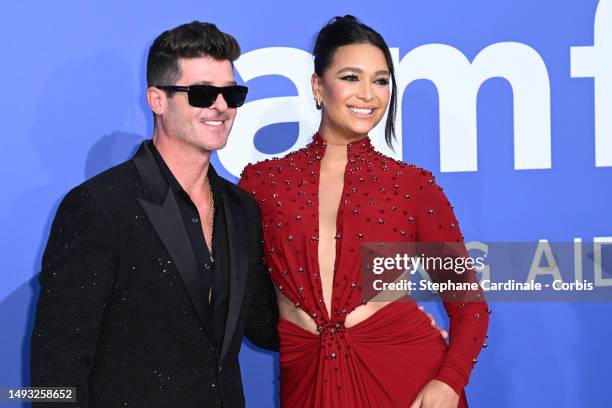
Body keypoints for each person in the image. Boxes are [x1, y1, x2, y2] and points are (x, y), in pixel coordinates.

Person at [239, 15, 490, 407]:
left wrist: (449, 382)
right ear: (318, 86)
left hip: (408, 384)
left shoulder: (412, 186)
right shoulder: (262, 183)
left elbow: (470, 306)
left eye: (380, 80)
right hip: (307, 380)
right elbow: (238, 296)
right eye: (352, 77)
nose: (368, 95)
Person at [30, 21, 278, 408]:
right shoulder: (100, 206)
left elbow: (268, 327)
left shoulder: (242, 209)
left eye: (231, 93)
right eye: (202, 93)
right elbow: (55, 365)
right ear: (157, 100)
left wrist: (373, 284)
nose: (221, 107)